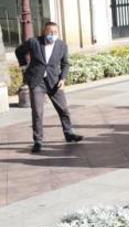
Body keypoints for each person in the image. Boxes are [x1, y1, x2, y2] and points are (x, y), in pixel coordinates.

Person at [15, 22, 83, 153]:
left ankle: (69, 133)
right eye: (50, 32)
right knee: (38, 113)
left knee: (63, 109)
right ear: (44, 32)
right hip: (37, 82)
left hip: (54, 82)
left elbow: (66, 64)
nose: (52, 35)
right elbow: (19, 51)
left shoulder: (61, 46)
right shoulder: (34, 42)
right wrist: (24, 66)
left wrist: (62, 79)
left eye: (55, 32)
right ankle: (38, 141)